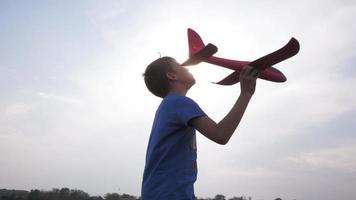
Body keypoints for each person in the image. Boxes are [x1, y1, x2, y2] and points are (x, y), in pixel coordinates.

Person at [141, 56, 259, 199]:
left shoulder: (168, 106)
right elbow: (221, 134)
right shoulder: (179, 102)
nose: (186, 66)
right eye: (179, 64)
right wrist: (246, 94)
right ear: (171, 76)